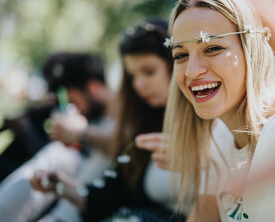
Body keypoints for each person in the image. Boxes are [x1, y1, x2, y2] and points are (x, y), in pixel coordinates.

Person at [157, 0, 275, 221]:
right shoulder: (217, 138)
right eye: (180, 55)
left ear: (251, 50)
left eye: (212, 48)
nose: (191, 71)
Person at [29, 18, 185, 222]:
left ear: (176, 64)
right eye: (132, 76)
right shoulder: (145, 127)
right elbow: (106, 199)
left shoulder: (210, 125)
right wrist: (59, 185)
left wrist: (82, 134)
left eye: (149, 72)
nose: (139, 84)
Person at [0, 52, 114, 222]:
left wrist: (81, 134)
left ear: (92, 87)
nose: (73, 109)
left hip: (90, 198)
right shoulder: (93, 115)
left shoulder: (121, 116)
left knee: (58, 155)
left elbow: (123, 141)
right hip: (70, 197)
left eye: (73, 102)